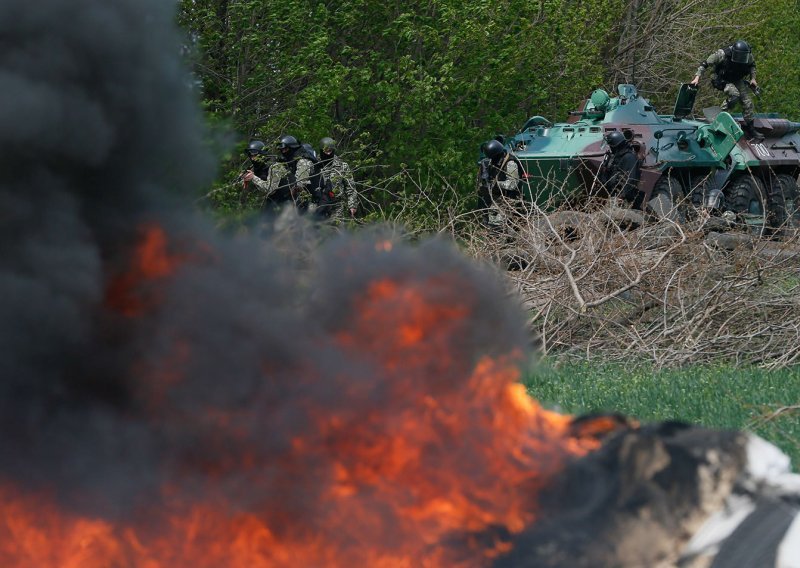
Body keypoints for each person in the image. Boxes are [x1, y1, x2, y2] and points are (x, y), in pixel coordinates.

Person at [689, 40, 763, 141]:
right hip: (722, 78)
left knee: (747, 102)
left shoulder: (747, 55)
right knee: (734, 96)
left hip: (736, 78)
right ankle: (718, 117)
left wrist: (753, 79)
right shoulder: (722, 54)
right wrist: (697, 77)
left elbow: (752, 66)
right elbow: (705, 63)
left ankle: (751, 128)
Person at [243, 134, 314, 212]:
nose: (253, 158)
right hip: (278, 202)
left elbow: (270, 189)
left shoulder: (275, 166)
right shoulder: (260, 167)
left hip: (291, 204)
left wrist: (253, 178)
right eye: (251, 155)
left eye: (255, 155)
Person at [477, 139, 521, 228]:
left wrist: (496, 184)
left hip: (509, 198)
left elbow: (513, 184)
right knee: (487, 222)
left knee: (496, 225)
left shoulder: (510, 163)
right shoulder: (490, 162)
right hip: (495, 197)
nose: (492, 160)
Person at [315, 137, 357, 221]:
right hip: (318, 205)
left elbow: (350, 187)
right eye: (326, 151)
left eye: (330, 150)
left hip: (337, 205)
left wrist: (352, 205)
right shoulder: (314, 164)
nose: (328, 153)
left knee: (336, 230)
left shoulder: (342, 165)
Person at [599, 131, 641, 207]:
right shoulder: (616, 157)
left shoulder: (629, 157)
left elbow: (631, 179)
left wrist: (622, 196)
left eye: (611, 146)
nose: (610, 148)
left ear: (615, 146)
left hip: (623, 199)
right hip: (613, 194)